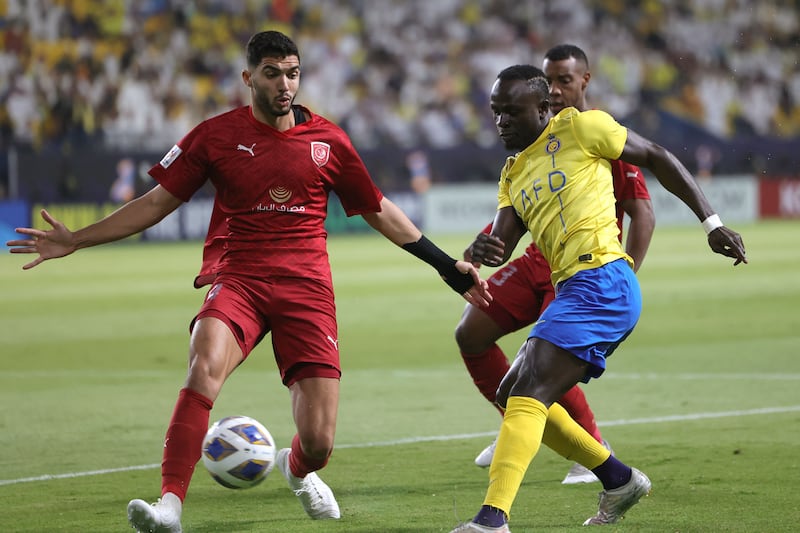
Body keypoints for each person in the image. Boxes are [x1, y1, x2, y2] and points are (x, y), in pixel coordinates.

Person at [6, 31, 491, 533]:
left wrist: (442, 264)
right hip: (240, 278)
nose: (285, 84)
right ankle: (169, 506)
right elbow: (155, 203)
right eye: (273, 73)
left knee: (320, 441)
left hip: (307, 289)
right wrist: (78, 239)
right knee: (203, 366)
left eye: (293, 73)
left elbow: (378, 209)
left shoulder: (329, 141)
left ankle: (296, 468)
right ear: (249, 77)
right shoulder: (215, 136)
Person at [450, 64, 746, 533]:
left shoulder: (583, 128)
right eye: (495, 112)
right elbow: (502, 239)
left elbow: (659, 156)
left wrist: (711, 224)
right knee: (512, 394)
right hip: (575, 287)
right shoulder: (513, 173)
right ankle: (618, 478)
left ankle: (492, 519)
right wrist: (483, 249)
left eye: (511, 111)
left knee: (527, 393)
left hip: (603, 279)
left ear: (545, 107)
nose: (501, 121)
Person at [458, 44, 655, 484]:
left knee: (544, 360)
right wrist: (484, 248)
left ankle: (577, 441)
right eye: (550, 78)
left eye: (564, 80)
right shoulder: (521, 156)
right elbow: (507, 228)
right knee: (472, 333)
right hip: (539, 259)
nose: (557, 87)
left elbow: (642, 210)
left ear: (584, 81)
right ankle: (523, 421)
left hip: (588, 270)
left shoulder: (594, 133)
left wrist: (626, 272)